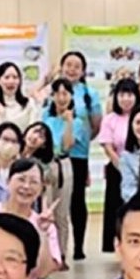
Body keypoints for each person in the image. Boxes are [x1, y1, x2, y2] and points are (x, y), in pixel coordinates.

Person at [44, 73, 95, 262]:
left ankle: (62, 254)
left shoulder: (78, 122)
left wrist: (68, 122)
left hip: (65, 164)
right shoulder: (46, 118)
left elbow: (66, 145)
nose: (61, 97)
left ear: (71, 96)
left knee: (62, 212)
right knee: (46, 210)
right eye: (57, 93)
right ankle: (47, 252)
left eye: (65, 93)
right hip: (46, 165)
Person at [98, 78, 140, 254]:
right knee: (116, 209)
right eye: (122, 94)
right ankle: (118, 245)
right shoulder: (110, 119)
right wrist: (122, 166)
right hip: (116, 170)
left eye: (130, 94)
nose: (126, 99)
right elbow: (107, 146)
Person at [22, 119, 75, 263]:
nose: (35, 137)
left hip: (34, 203)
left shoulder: (43, 165)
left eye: (41, 136)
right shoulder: (14, 153)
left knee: (57, 217)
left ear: (44, 144)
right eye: (35, 131)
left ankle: (58, 255)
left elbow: (46, 185)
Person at [0, 60, 40, 136]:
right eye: (7, 77)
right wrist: (1, 117)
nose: (11, 81)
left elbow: (33, 132)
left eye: (15, 77)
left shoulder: (29, 104)